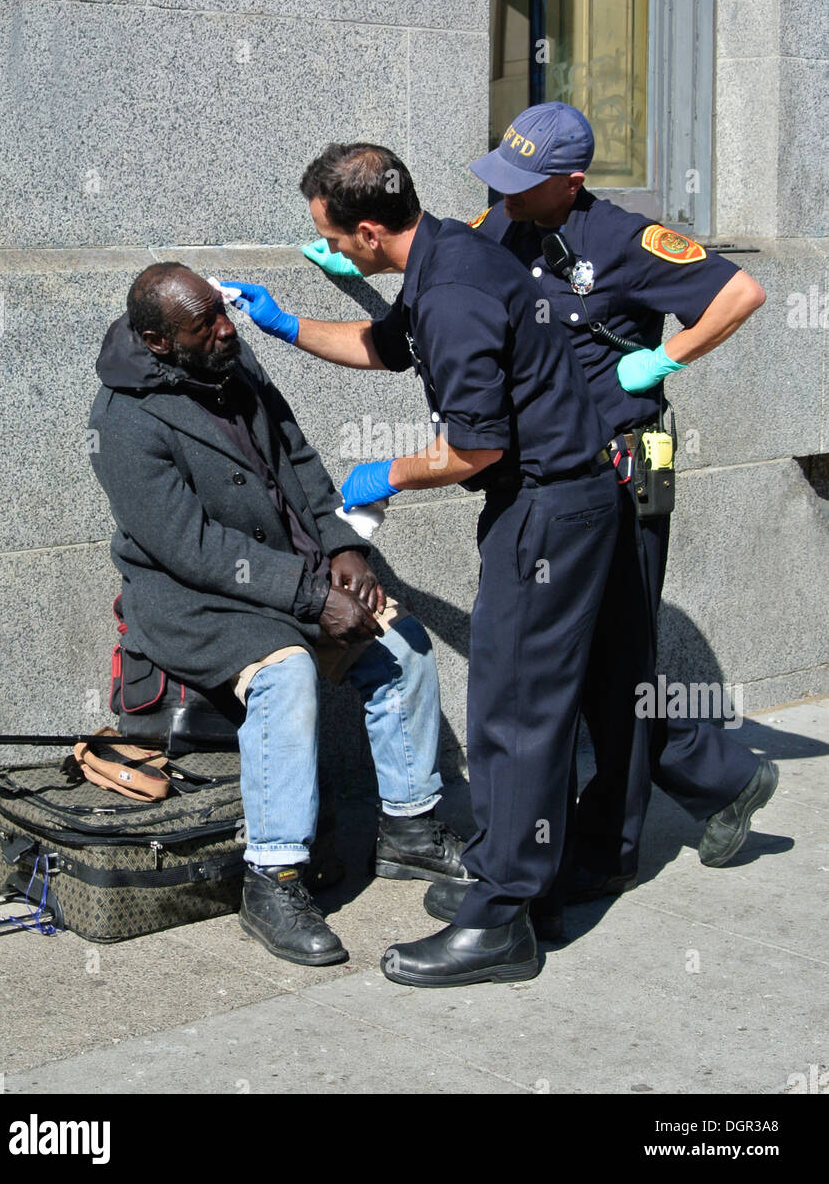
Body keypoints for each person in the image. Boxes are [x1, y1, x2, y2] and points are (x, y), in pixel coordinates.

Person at [227, 143, 622, 988]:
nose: (331, 249)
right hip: (552, 501)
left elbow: (476, 446)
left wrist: (388, 474)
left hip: (547, 512)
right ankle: (530, 885)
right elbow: (383, 344)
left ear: (368, 233)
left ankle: (501, 921)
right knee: (534, 709)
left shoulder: (453, 294)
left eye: (333, 238)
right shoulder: (451, 248)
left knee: (511, 716)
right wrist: (286, 324)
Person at [87, 262, 466, 969]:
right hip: (197, 602)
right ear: (158, 341)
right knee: (287, 672)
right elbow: (190, 547)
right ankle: (274, 880)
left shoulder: (234, 360)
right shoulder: (122, 421)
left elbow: (298, 460)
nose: (228, 327)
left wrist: (344, 547)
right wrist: (311, 596)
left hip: (292, 575)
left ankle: (410, 832)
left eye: (222, 314)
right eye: (206, 324)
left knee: (404, 642)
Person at [463, 102, 777, 900]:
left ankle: (608, 847)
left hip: (623, 467)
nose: (506, 194)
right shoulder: (501, 224)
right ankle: (719, 778)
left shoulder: (625, 241)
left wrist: (662, 360)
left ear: (571, 183)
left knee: (618, 655)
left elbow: (741, 292)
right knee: (588, 656)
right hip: (547, 481)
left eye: (524, 183)